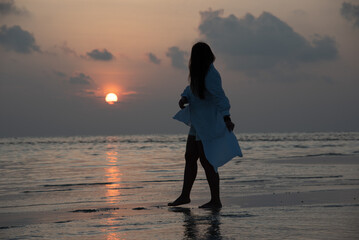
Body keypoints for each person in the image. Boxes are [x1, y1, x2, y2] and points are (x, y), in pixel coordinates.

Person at [169, 42, 242, 209]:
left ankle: (215, 200)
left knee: (207, 160)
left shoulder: (211, 74)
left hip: (208, 122)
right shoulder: (198, 73)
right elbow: (192, 89)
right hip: (198, 121)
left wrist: (227, 118)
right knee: (190, 156)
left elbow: (220, 97)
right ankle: (185, 196)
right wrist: (184, 98)